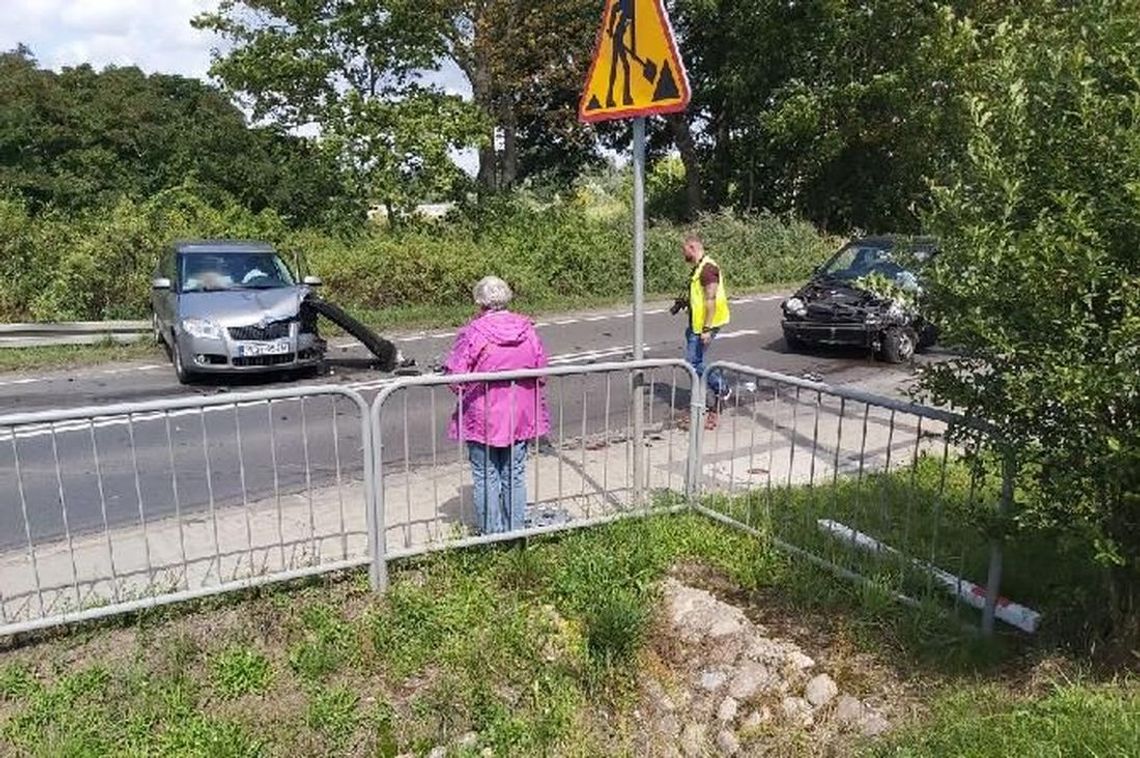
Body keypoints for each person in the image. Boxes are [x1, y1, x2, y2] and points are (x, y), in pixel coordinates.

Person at [443, 276, 550, 535]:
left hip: (483, 417)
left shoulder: (473, 334)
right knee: (515, 474)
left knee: (486, 475)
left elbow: (456, 378)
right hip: (519, 416)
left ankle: (491, 535)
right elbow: (542, 372)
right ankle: (515, 533)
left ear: (480, 302)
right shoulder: (528, 331)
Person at [679, 234, 731, 429]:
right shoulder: (700, 267)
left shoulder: (708, 269)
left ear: (692, 248)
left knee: (692, 362)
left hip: (706, 324)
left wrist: (707, 329)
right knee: (696, 361)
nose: (683, 254)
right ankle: (702, 400)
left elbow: (710, 301)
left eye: (684, 250)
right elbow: (700, 297)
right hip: (696, 323)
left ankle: (721, 388)